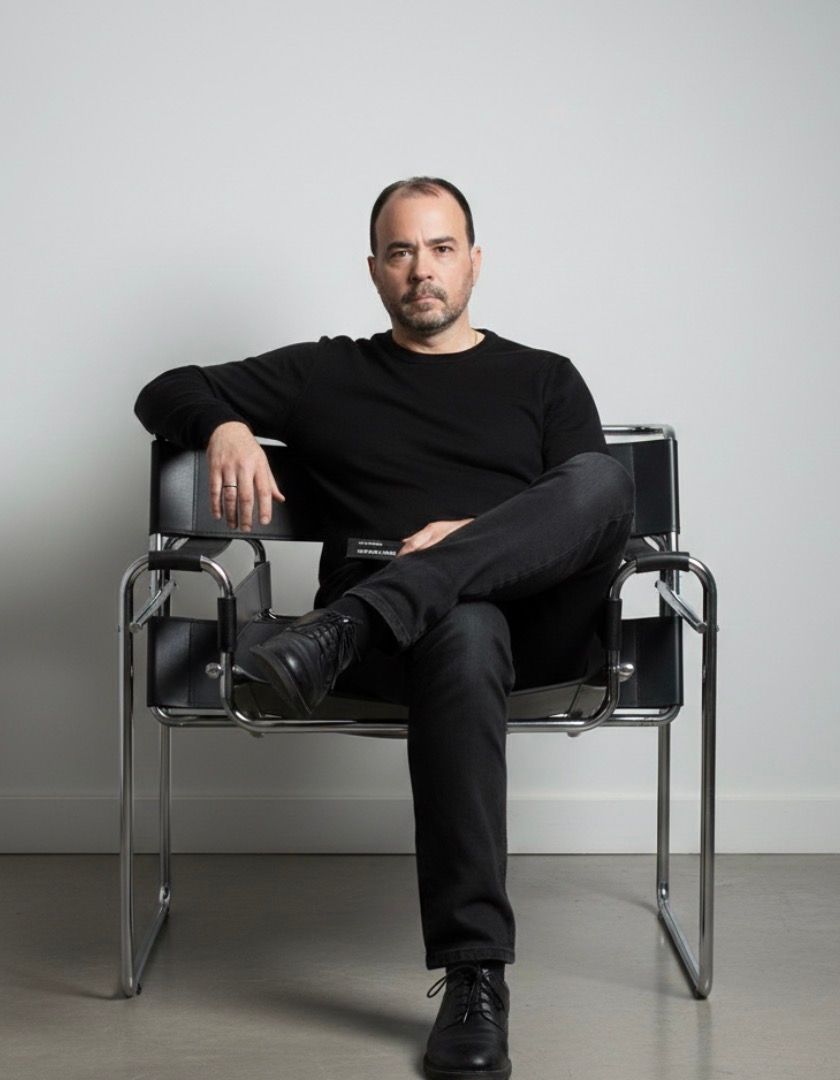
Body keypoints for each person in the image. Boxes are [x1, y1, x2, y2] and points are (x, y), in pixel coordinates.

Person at [134, 176, 635, 1080]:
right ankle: (476, 978)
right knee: (463, 626)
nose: (422, 270)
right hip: (412, 658)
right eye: (401, 251)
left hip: (521, 633)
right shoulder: (331, 372)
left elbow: (589, 516)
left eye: (441, 248)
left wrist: (473, 541)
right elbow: (163, 389)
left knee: (603, 481)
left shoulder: (544, 378)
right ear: (374, 269)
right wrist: (226, 425)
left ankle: (358, 618)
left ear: (475, 261)